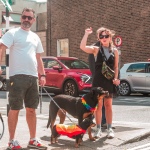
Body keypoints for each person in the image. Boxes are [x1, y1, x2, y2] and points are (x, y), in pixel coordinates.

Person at [0, 8, 47, 149]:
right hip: (17, 76)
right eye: (24, 17)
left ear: (33, 20)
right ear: (21, 18)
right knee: (15, 108)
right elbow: (1, 48)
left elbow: (38, 58)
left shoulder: (35, 37)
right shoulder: (12, 33)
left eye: (29, 17)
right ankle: (12, 141)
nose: (26, 19)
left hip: (33, 78)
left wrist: (42, 74)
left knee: (31, 109)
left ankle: (33, 139)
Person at [80, 27, 120, 139]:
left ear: (110, 37)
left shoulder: (115, 51)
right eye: (101, 36)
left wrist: (116, 78)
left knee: (108, 105)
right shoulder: (96, 49)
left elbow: (116, 67)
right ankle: (98, 129)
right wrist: (86, 34)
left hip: (109, 81)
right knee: (98, 106)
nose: (104, 38)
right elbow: (83, 47)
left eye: (106, 36)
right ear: (99, 38)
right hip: (98, 81)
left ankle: (109, 128)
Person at [88, 52, 106, 127]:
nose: (104, 39)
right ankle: (91, 120)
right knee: (95, 102)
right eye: (102, 38)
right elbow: (93, 66)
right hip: (97, 80)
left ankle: (103, 121)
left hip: (103, 79)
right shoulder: (94, 49)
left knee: (102, 102)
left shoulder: (106, 47)